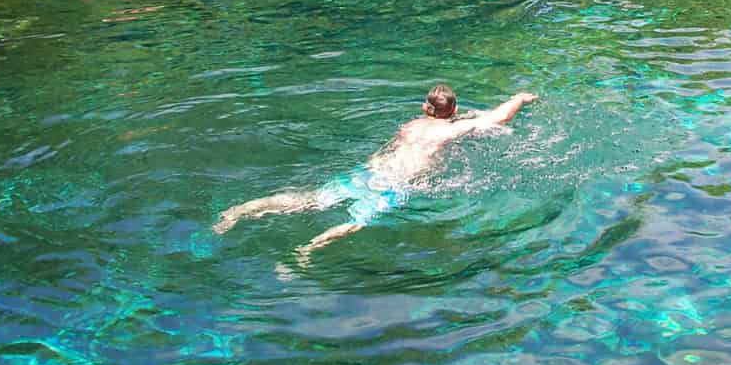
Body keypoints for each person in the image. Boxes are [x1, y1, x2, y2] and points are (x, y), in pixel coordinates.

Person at [213, 85, 539, 261]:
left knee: (311, 199)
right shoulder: (451, 131)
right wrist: (520, 98)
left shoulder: (411, 125)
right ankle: (308, 249)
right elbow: (499, 118)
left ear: (426, 108)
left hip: (369, 171)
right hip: (396, 184)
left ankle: (242, 210)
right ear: (453, 110)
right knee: (357, 222)